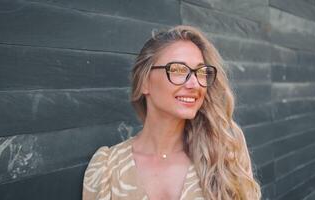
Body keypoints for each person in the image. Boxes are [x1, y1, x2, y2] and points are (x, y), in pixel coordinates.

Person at [83, 25, 261, 200]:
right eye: (178, 70)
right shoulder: (107, 167)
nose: (195, 84)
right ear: (145, 82)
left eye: (200, 72)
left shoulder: (224, 157)